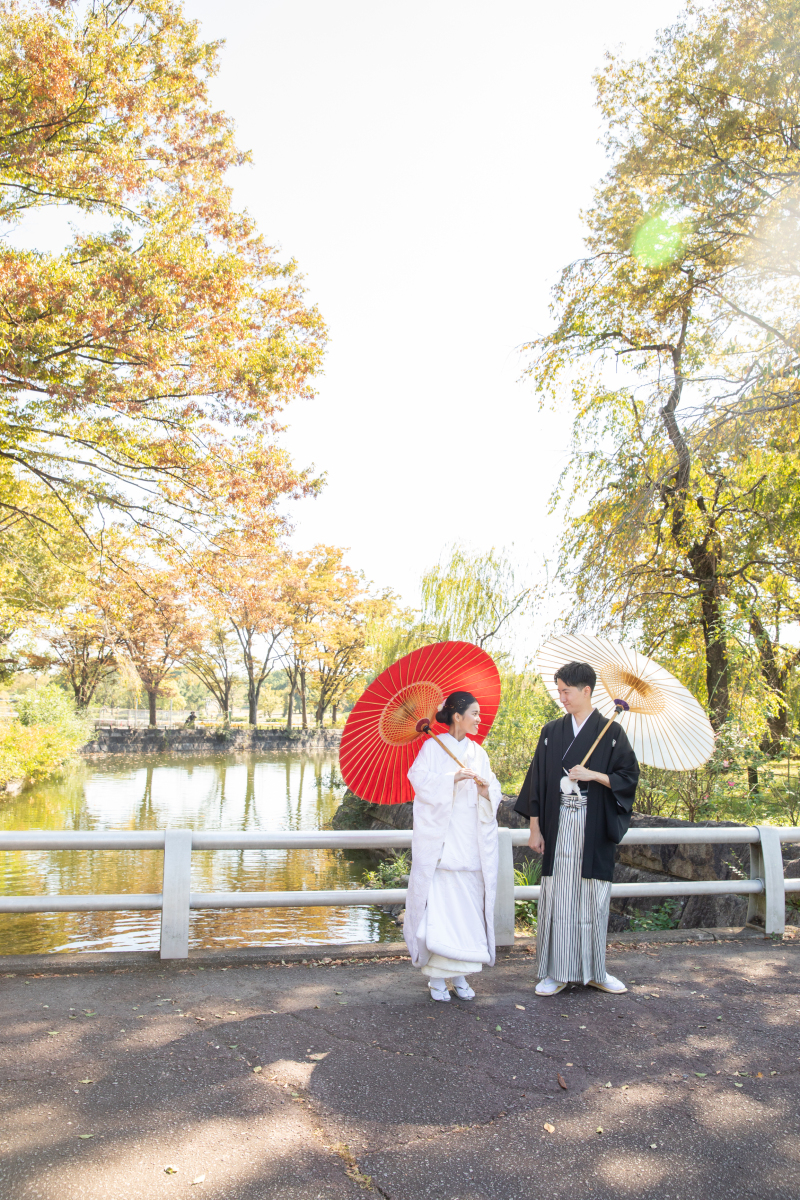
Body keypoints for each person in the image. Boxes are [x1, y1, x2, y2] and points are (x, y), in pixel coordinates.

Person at [515, 661, 639, 997]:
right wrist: (535, 828)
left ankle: (595, 970)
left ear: (586, 690)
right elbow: (537, 783)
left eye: (566, 691)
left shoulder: (612, 733)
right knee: (557, 897)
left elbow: (629, 777)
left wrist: (594, 775)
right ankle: (555, 972)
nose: (562, 697)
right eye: (559, 691)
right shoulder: (551, 732)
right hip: (557, 826)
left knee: (592, 897)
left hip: (594, 824)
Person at [404, 691, 502, 1002]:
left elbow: (494, 791)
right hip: (443, 843)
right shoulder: (432, 748)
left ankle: (459, 973)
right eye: (474, 713)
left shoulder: (478, 752)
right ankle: (436, 978)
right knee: (442, 912)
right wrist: (452, 777)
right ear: (457, 716)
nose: (478, 718)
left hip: (470, 841)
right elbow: (418, 781)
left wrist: (487, 792)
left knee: (467, 911)